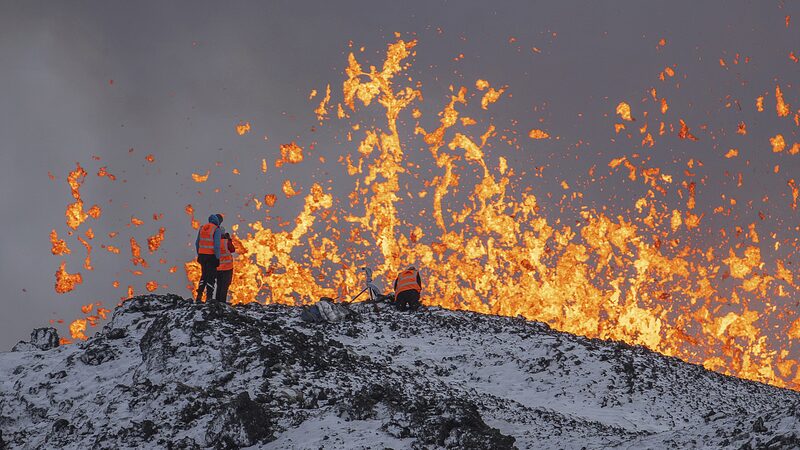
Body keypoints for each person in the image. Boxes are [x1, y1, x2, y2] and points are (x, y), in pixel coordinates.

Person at [195, 213, 224, 302]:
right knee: (211, 277)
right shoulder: (216, 229)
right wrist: (217, 257)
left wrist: (199, 254)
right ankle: (209, 298)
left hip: (202, 256)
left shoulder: (202, 228)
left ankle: (199, 296)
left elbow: (197, 243)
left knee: (204, 275)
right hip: (211, 257)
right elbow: (216, 245)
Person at [215, 232, 236, 303]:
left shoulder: (215, 242)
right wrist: (229, 239)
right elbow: (232, 249)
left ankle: (217, 302)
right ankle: (222, 302)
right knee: (224, 286)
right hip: (227, 268)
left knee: (219, 285)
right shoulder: (226, 242)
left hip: (218, 268)